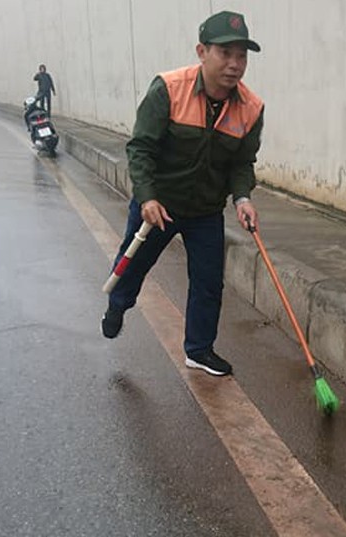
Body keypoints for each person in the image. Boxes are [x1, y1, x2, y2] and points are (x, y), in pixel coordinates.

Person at [101, 10, 265, 377]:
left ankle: (199, 349)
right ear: (202, 51)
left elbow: (242, 162)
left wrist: (242, 198)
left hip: (205, 211)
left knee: (208, 282)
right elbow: (141, 148)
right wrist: (147, 197)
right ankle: (118, 305)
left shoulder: (251, 108)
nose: (235, 64)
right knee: (133, 266)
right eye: (225, 53)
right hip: (159, 205)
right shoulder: (168, 89)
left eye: (241, 56)